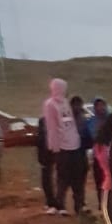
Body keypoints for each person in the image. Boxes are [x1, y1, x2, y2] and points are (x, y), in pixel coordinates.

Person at [41, 78, 83, 216]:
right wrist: (54, 147)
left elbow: (70, 123)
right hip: (62, 147)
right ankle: (60, 206)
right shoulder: (50, 104)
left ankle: (79, 205)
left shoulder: (65, 102)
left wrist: (76, 138)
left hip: (74, 145)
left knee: (77, 176)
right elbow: (51, 127)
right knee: (62, 177)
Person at [70, 95, 93, 214]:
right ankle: (77, 204)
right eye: (76, 105)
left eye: (79, 105)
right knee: (75, 180)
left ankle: (81, 203)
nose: (78, 107)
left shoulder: (83, 119)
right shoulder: (68, 120)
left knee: (81, 179)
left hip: (81, 152)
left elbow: (88, 136)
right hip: (71, 154)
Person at [86, 98, 109, 210]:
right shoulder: (91, 121)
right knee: (99, 180)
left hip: (111, 156)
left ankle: (110, 203)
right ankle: (101, 203)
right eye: (98, 105)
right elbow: (91, 136)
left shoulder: (111, 119)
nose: (101, 108)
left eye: (102, 105)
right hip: (98, 155)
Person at [37, 116, 58, 213]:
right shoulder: (42, 121)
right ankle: (50, 202)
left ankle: (55, 204)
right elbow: (39, 142)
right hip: (45, 157)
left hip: (56, 155)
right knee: (46, 181)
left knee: (56, 180)